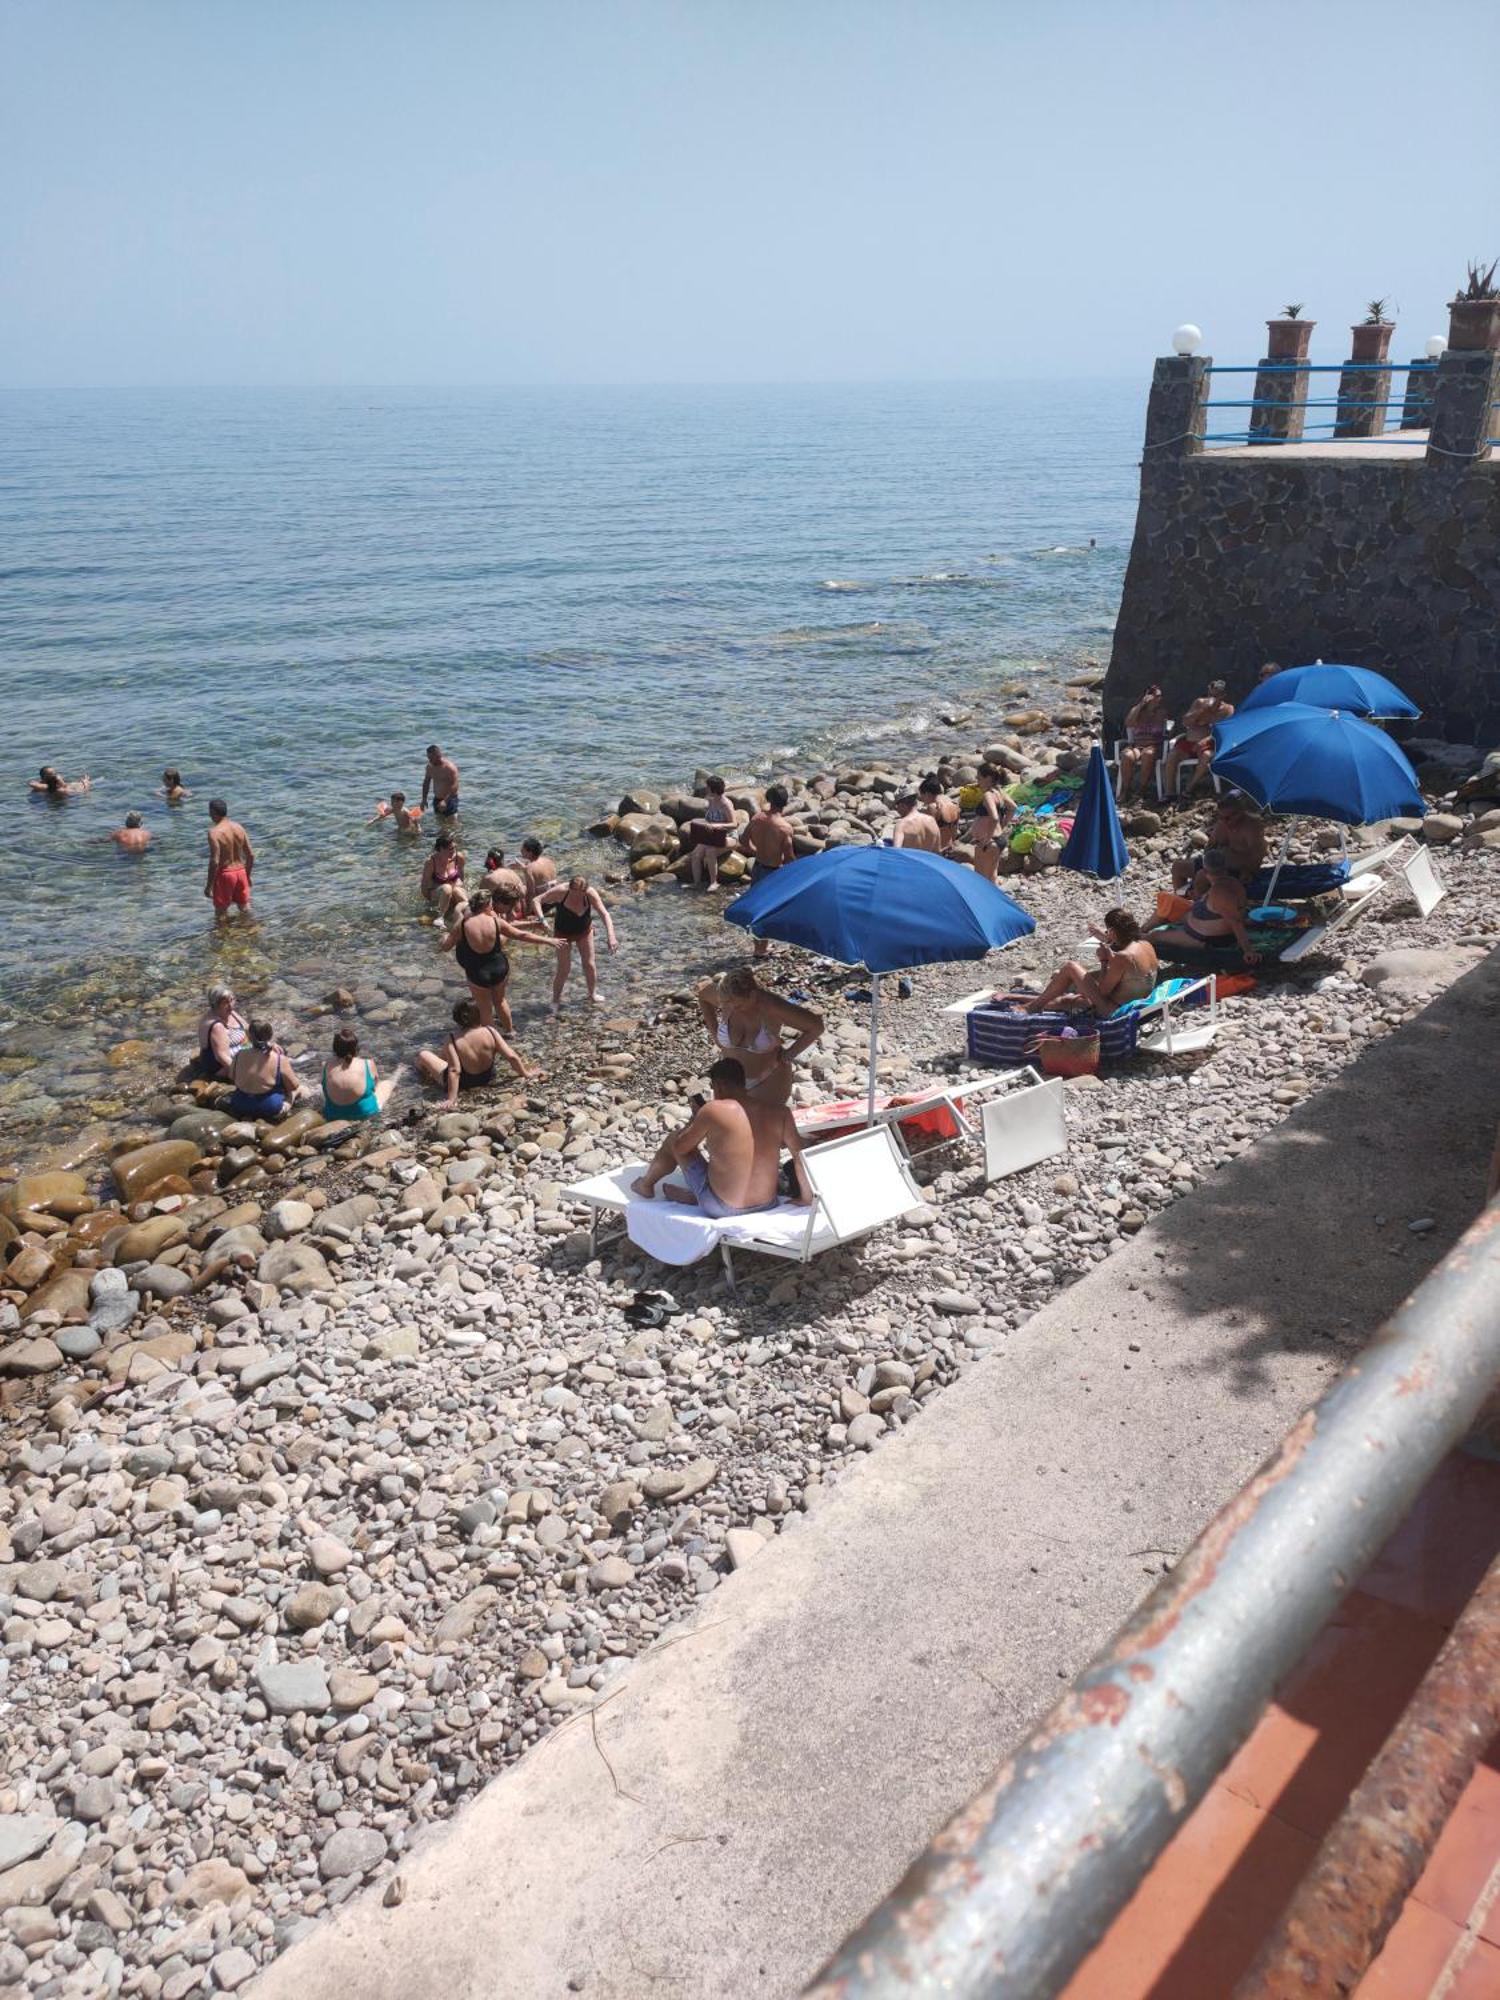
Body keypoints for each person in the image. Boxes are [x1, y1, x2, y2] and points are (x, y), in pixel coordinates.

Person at [631, 1057, 812, 1217]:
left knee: (673, 1140)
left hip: (721, 1207)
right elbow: (799, 1156)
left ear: (719, 1086)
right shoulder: (781, 1112)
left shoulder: (713, 1110)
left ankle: (646, 1185)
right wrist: (805, 1199)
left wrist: (696, 1119)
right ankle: (695, 1196)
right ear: (742, 1082)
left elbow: (681, 1149)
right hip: (767, 1203)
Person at [694, 965, 823, 1106]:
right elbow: (702, 996)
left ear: (753, 995)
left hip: (767, 1079)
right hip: (730, 1082)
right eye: (727, 1004)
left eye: (738, 1005)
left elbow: (816, 1026)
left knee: (760, 1125)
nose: (733, 1008)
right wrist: (715, 1035)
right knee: (730, 1125)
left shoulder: (772, 1006)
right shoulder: (726, 996)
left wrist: (789, 1055)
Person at [441, 886, 564, 1030]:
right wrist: (549, 941)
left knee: (485, 1009)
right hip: (499, 967)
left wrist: (442, 937)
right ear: (487, 905)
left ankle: (494, 1042)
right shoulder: (494, 921)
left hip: (477, 971)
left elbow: (446, 946)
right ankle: (510, 1032)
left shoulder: (462, 924)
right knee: (500, 1001)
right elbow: (521, 935)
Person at [1000, 909, 1159, 1016]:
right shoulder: (1146, 945)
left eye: (1107, 931)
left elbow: (1103, 991)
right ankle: (1014, 996)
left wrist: (1104, 961)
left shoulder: (1124, 957)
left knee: (1070, 968)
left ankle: (1032, 1007)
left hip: (1114, 1010)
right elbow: (1127, 969)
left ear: (1112, 931)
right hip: (1135, 1003)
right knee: (1066, 1001)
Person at [1148, 849, 1262, 964]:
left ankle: (1139, 938)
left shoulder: (1221, 893)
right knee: (1168, 901)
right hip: (1197, 921)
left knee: (1155, 936)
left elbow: (1236, 922)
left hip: (1205, 938)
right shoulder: (1231, 882)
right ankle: (1141, 931)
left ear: (1205, 870)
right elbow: (1235, 912)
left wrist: (1248, 950)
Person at [415, 997, 534, 1103]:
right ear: (479, 1014)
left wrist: (452, 1099)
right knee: (444, 1057)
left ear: (457, 1019)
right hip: (488, 1077)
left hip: (464, 1082)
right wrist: (526, 1074)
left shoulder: (453, 1039)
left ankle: (426, 1079)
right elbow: (511, 1056)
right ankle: (437, 1067)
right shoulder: (490, 1031)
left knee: (423, 1055)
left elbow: (455, 1071)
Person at [536, 875, 617, 1011]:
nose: (579, 896)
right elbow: (536, 900)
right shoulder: (561, 891)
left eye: (582, 893)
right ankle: (555, 1000)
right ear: (570, 888)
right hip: (563, 933)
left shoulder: (590, 893)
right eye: (576, 892)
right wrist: (542, 919)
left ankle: (592, 994)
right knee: (564, 969)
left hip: (584, 930)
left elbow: (605, 914)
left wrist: (611, 936)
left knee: (589, 964)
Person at [737, 784, 797, 959]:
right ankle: (761, 949)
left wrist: (756, 851)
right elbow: (789, 856)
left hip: (757, 867)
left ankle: (759, 946)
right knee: (769, 910)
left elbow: (743, 840)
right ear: (785, 803)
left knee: (757, 908)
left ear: (769, 800)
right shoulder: (784, 828)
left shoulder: (757, 818)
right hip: (773, 872)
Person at [1170, 799, 1267, 891]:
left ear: (1240, 814)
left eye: (1228, 818)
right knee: (1177, 867)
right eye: (1221, 817)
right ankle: (1181, 901)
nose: (1225, 821)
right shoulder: (1222, 824)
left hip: (1239, 870)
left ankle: (1201, 905)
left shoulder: (1251, 827)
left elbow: (1258, 854)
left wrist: (1247, 871)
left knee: (1201, 878)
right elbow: (1209, 847)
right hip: (1215, 865)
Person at [1163, 680, 1235, 799]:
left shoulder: (1228, 709)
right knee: (1172, 755)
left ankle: (1189, 788)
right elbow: (1185, 721)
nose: (1212, 698)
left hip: (1209, 743)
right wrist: (1202, 710)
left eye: (1216, 696)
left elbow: (1225, 731)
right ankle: (1169, 792)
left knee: (1207, 756)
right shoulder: (1199, 702)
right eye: (1210, 695)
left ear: (1223, 696)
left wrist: (1206, 740)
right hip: (1190, 742)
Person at [227, 1021, 303, 1120]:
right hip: (268, 1107)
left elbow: (231, 1076)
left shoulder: (239, 1055)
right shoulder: (279, 1059)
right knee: (298, 1089)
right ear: (270, 1036)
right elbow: (293, 1085)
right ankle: (287, 1107)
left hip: (240, 1104)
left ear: (249, 1036)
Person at [321, 1029, 398, 1122]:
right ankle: (401, 1070)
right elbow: (375, 1086)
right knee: (387, 1083)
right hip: (365, 1113)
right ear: (355, 1048)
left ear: (335, 1048)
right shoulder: (367, 1063)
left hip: (333, 1116)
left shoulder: (325, 1065)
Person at [1117, 686, 1168, 803]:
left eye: (1160, 696)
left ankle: (1142, 789)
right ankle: (1126, 790)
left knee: (1148, 754)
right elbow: (1128, 723)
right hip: (1137, 744)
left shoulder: (1161, 712)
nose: (1160, 699)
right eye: (1157, 696)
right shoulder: (1137, 711)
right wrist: (1141, 705)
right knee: (1127, 756)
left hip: (1154, 745)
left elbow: (1168, 727)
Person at [205, 799, 254, 919]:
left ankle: (224, 936)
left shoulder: (214, 832)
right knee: (245, 907)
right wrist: (247, 875)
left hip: (225, 875)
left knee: (221, 911)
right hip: (241, 871)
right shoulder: (239, 827)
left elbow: (215, 861)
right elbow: (251, 855)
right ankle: (251, 930)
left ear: (212, 812)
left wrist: (209, 886)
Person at [686, 776, 736, 888]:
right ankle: (696, 883)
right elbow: (708, 820)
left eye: (707, 787)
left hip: (729, 836)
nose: (706, 789)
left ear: (713, 788)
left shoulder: (726, 804)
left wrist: (717, 825)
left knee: (710, 851)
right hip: (711, 836)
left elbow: (734, 824)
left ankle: (714, 882)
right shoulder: (710, 800)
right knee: (696, 854)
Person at [969, 763, 1015, 883]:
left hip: (989, 842)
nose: (977, 781)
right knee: (992, 877)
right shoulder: (998, 792)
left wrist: (987, 839)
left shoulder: (988, 795)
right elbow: (1013, 807)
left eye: (979, 777)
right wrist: (1003, 825)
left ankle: (981, 901)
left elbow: (994, 817)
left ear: (988, 778)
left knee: (980, 880)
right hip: (998, 839)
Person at [196, 985, 249, 1080]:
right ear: (215, 1004)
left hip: (241, 1054)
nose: (230, 1005)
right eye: (225, 1002)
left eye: (232, 1000)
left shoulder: (229, 1012)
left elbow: (248, 1029)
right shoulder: (217, 1026)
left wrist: (266, 1044)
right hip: (222, 1067)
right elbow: (222, 1057)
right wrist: (242, 1075)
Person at [421, 832, 467, 920]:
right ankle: (440, 918)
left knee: (457, 891)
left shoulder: (459, 857)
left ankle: (471, 915)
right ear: (441, 849)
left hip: (454, 891)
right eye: (450, 849)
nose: (454, 851)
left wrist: (457, 888)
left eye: (454, 848)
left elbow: (462, 879)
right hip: (438, 894)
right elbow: (424, 887)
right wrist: (431, 904)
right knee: (447, 888)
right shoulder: (431, 862)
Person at [919, 773, 960, 853]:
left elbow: (928, 834)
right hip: (949, 848)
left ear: (927, 793)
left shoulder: (932, 807)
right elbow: (954, 831)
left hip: (937, 851)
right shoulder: (953, 805)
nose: (922, 800)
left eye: (922, 796)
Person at [421, 744, 461, 818]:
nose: (429, 760)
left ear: (438, 755)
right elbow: (426, 783)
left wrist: (445, 801)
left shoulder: (449, 768)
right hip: (437, 799)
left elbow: (455, 786)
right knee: (440, 822)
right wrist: (424, 799)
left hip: (450, 799)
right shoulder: (430, 767)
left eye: (431, 758)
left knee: (452, 822)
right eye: (428, 758)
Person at [518, 836, 557, 904]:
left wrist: (528, 911)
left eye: (523, 849)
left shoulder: (529, 868)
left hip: (543, 901)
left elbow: (531, 893)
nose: (520, 850)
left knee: (519, 888)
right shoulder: (548, 860)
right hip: (554, 896)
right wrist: (524, 868)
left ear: (530, 852)